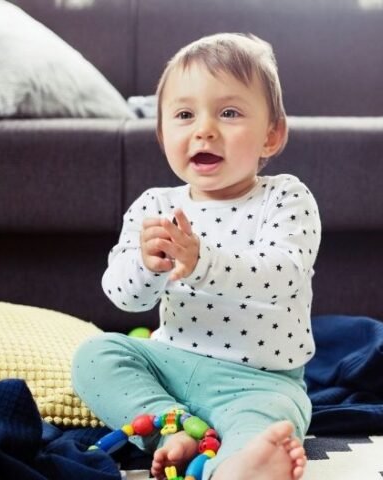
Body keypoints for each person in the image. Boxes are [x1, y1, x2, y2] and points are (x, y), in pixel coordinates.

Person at [72, 32, 321, 480]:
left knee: (267, 422)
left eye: (229, 113)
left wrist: (204, 262)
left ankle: (242, 466)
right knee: (95, 355)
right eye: (185, 115)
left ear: (272, 135)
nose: (204, 129)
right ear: (163, 133)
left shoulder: (285, 198)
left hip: (259, 381)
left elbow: (282, 275)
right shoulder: (155, 205)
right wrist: (147, 267)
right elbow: (122, 297)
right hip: (171, 364)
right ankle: (170, 431)